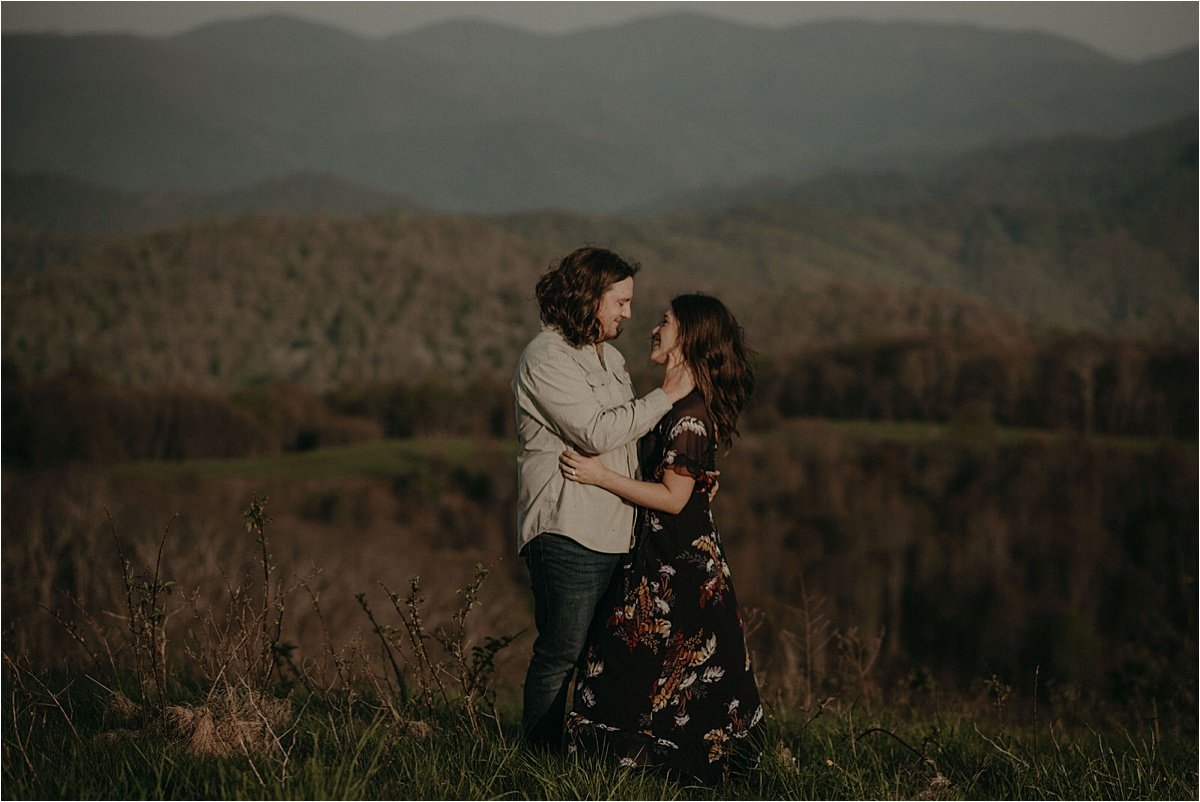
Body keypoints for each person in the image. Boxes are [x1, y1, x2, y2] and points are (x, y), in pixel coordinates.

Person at [558, 293, 764, 784]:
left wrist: (598, 476)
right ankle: (637, 769)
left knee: (661, 672)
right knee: (645, 669)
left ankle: (655, 770)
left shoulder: (690, 417)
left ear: (687, 337)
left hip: (679, 568)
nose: (654, 328)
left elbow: (674, 499)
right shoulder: (679, 404)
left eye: (665, 322)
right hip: (662, 560)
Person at [513, 246, 696, 752]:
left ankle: (591, 754)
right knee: (560, 656)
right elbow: (596, 432)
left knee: (602, 657)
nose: (629, 314)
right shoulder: (545, 357)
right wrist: (667, 395)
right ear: (590, 298)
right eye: (620, 301)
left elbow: (629, 438)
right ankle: (539, 760)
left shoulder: (610, 357)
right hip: (567, 528)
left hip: (616, 532)